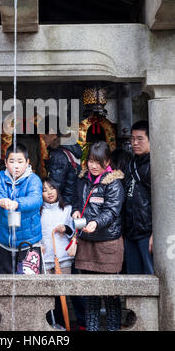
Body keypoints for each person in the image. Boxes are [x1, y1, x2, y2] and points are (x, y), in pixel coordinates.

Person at [72, 141, 124, 331]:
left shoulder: (114, 183)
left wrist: (96, 222)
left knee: (110, 295)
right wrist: (76, 211)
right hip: (87, 243)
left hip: (108, 244)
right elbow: (77, 200)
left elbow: (112, 211)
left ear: (107, 161)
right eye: (90, 161)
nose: (93, 166)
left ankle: (113, 329)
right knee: (91, 294)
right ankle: (92, 329)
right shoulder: (83, 178)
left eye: (98, 162)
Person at [0, 143, 43, 274]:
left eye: (20, 161)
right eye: (12, 161)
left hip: (29, 241)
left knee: (29, 284)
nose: (16, 166)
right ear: (6, 163)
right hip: (5, 240)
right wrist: (1, 201)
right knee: (5, 283)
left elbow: (36, 199)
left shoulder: (33, 179)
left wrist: (17, 203)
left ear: (27, 162)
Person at [41, 177, 74, 329]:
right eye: (44, 190)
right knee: (47, 295)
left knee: (62, 294)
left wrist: (65, 228)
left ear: (57, 189)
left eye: (51, 188)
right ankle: (48, 325)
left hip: (63, 258)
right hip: (45, 257)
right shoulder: (38, 211)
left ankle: (63, 324)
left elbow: (73, 231)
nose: (49, 193)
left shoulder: (67, 209)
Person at [123, 120, 153, 275]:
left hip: (147, 232)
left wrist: (156, 234)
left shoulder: (156, 164)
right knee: (133, 279)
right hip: (130, 230)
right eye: (132, 139)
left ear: (150, 139)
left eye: (140, 138)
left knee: (150, 274)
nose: (135, 142)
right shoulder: (130, 163)